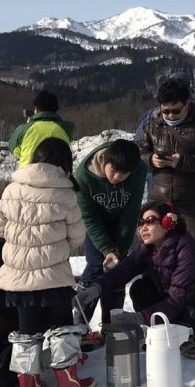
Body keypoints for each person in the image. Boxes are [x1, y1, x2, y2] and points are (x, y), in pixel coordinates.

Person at [0, 137, 93, 387]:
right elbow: (77, 236)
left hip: (17, 277)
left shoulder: (12, 187)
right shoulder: (66, 192)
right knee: (62, 327)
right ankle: (67, 381)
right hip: (53, 275)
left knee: (26, 331)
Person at [75, 200, 195, 359]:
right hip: (181, 304)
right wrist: (96, 288)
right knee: (140, 288)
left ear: (168, 222)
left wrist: (139, 318)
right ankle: (165, 333)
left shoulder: (187, 249)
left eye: (150, 221)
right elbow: (122, 271)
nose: (143, 228)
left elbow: (176, 298)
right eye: (140, 223)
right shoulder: (148, 249)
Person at [139, 77, 195, 245]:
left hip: (192, 201)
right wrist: (150, 160)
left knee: (190, 252)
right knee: (156, 251)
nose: (170, 115)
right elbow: (140, 152)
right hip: (158, 199)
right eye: (165, 111)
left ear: (186, 104)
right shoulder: (152, 125)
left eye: (175, 111)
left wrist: (183, 162)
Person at [74, 138, 147, 325]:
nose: (116, 178)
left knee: (118, 267)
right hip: (97, 223)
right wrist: (107, 250)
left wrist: (119, 251)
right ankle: (79, 324)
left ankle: (111, 324)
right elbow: (89, 218)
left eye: (124, 174)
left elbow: (131, 213)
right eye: (113, 170)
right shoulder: (84, 175)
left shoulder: (139, 170)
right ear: (105, 160)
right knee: (97, 265)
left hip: (122, 221)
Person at [8, 90, 76, 167]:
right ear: (55, 109)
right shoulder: (66, 129)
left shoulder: (23, 130)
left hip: (28, 176)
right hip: (59, 176)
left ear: (36, 109)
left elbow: (13, 148)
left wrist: (28, 125)